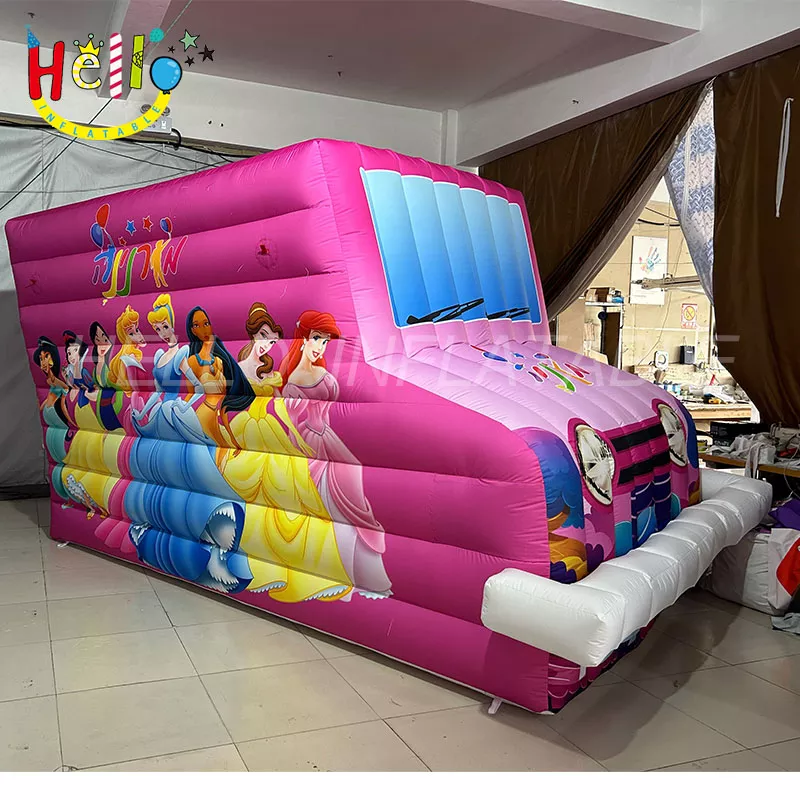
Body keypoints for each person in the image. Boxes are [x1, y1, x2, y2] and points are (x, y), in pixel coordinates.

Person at [223, 302, 353, 602]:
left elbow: (286, 407)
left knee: (306, 496)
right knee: (276, 496)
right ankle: (265, 568)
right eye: (263, 337)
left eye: (272, 341)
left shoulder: (275, 372)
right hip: (259, 431)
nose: (267, 345)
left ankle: (312, 570)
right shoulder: (245, 370)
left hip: (283, 432)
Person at [279, 310, 392, 599]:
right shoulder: (293, 382)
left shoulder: (320, 373)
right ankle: (336, 571)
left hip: (326, 437)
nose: (320, 346)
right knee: (334, 489)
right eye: (317, 338)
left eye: (325, 341)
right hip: (310, 442)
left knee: (351, 471)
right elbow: (294, 426)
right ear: (303, 338)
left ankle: (358, 570)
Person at [33, 336, 74, 463]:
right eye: (41, 358)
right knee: (55, 451)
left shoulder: (57, 382)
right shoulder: (49, 382)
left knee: (62, 453)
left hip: (57, 419)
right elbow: (50, 397)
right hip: (51, 421)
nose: (43, 362)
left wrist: (71, 421)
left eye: (46, 357)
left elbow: (64, 399)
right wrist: (42, 407)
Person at [89, 321, 123, 431]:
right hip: (101, 410)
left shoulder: (113, 365)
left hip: (111, 409)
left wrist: (116, 408)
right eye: (97, 339)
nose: (102, 343)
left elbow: (120, 389)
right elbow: (97, 385)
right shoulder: (96, 368)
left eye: (104, 338)